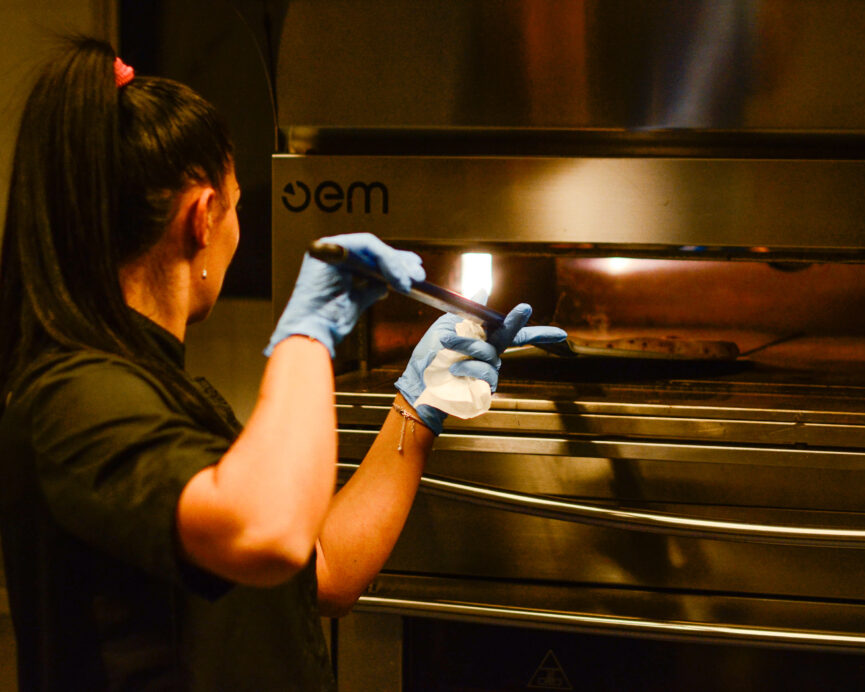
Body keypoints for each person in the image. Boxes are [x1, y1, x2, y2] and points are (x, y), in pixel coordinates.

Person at [0, 36, 566, 691]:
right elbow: (266, 531)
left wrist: (420, 403)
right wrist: (309, 332)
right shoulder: (75, 400)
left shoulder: (162, 395)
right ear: (203, 217)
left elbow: (318, 565)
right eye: (240, 203)